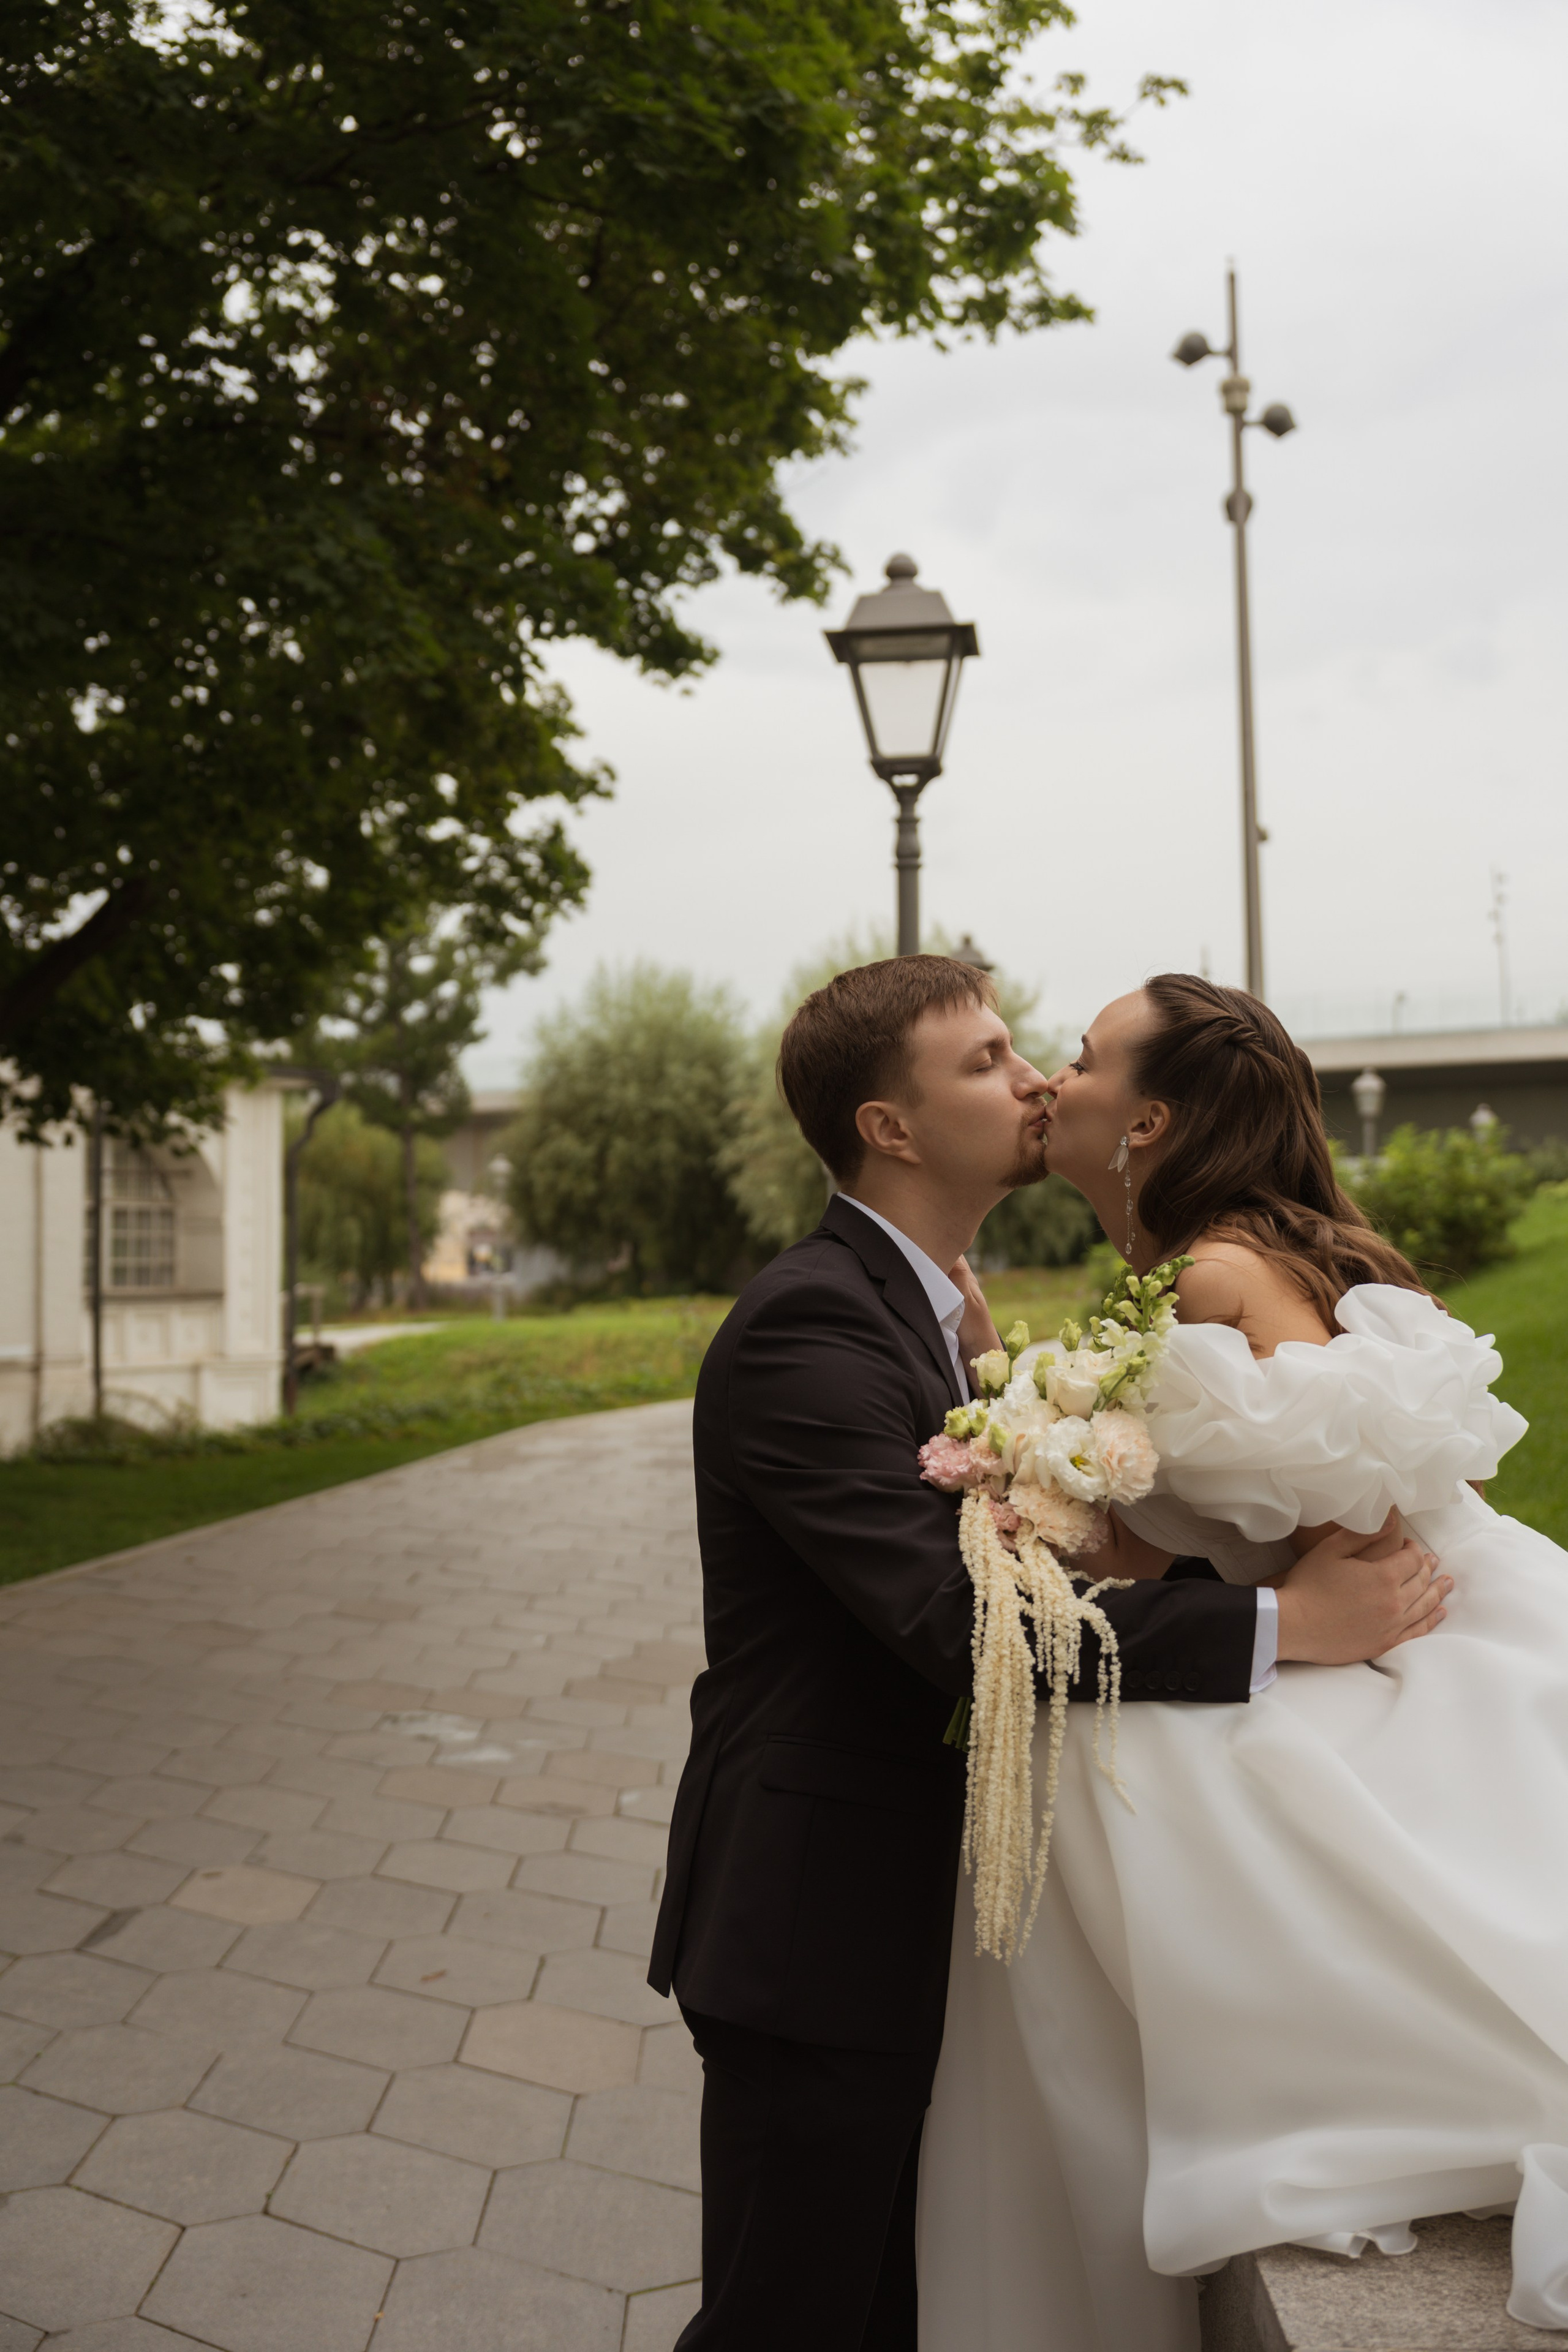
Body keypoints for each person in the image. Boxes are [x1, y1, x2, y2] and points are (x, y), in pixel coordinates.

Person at [647, 956, 1448, 2352]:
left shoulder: (929, 1315)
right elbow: (963, 1623)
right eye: (985, 1060)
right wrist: (1293, 1624)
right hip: (820, 1920)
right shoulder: (808, 1323)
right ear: (890, 1129)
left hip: (925, 1910)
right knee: (790, 2321)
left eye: (1028, 1051)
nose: (1030, 1080)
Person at [918, 974, 1568, 2348]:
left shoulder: (1213, 1276)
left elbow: (1352, 1539)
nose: (1051, 1080)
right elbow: (1206, 1530)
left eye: (1081, 1058)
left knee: (1101, 1754)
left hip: (1413, 1643)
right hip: (1452, 1612)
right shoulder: (1219, 1259)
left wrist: (1053, 1494)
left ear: (1147, 1121)